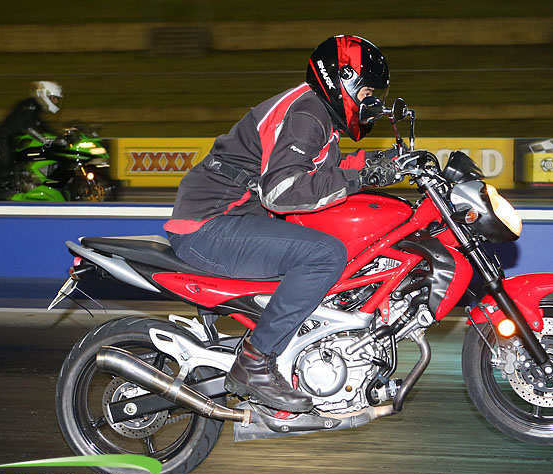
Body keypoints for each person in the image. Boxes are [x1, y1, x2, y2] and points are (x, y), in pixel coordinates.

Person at [164, 35, 400, 413]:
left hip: (232, 220)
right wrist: (362, 177)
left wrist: (381, 164)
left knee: (328, 244)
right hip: (210, 224)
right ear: (342, 81)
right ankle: (254, 362)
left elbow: (323, 171)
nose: (371, 102)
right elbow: (282, 191)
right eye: (367, 91)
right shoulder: (308, 115)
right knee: (325, 255)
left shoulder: (318, 117)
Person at [0, 81, 63, 188]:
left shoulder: (36, 108)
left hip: (15, 142)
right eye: (54, 98)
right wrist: (45, 140)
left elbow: (43, 126)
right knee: (5, 169)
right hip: (3, 139)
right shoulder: (29, 106)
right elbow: (28, 127)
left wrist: (60, 136)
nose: (56, 101)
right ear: (45, 95)